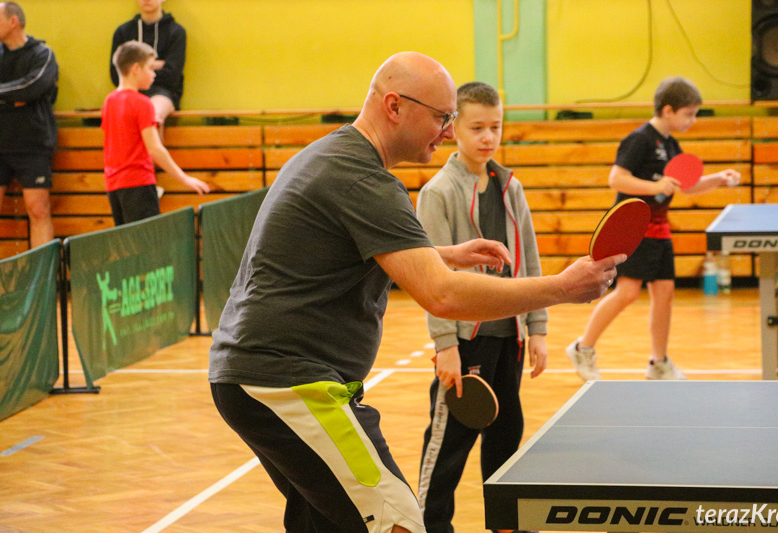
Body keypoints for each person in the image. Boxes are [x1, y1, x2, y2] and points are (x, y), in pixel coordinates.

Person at [208, 51, 625, 533]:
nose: (447, 131)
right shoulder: (362, 178)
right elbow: (443, 296)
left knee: (324, 523)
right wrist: (561, 287)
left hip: (255, 376)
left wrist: (442, 254)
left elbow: (348, 255)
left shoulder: (332, 156)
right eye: (441, 117)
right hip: (287, 382)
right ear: (394, 105)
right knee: (397, 522)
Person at [415, 82, 546, 533]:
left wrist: (537, 327)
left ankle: (506, 525)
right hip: (464, 345)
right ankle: (427, 527)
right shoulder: (438, 192)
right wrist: (444, 343)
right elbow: (430, 275)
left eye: (496, 126)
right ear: (453, 130)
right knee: (447, 446)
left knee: (507, 439)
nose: (488, 137)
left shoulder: (511, 186)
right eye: (477, 127)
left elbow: (528, 259)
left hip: (507, 337)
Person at [565, 77, 741, 382]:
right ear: (668, 110)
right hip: (633, 228)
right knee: (628, 293)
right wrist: (654, 185)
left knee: (665, 293)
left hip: (659, 229)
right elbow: (617, 179)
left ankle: (658, 362)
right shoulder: (640, 139)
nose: (693, 120)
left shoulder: (671, 144)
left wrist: (719, 178)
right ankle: (583, 348)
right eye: (689, 114)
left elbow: (686, 186)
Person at [102, 41, 208, 226]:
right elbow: (155, 149)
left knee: (128, 247)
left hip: (114, 187)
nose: (154, 74)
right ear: (136, 68)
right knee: (147, 249)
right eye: (150, 68)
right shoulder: (142, 103)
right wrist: (185, 179)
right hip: (139, 185)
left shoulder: (109, 101)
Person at [0, 1, 58, 249]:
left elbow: (33, 87)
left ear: (13, 21)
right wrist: (14, 100)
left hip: (32, 144)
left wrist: (18, 96)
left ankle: (42, 281)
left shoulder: (42, 54)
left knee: (37, 209)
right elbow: (22, 93)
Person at [110, 0, 186, 137]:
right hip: (129, 91)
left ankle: (149, 164)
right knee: (121, 117)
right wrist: (156, 64)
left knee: (152, 116)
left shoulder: (176, 32)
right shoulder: (123, 32)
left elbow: (172, 75)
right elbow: (116, 75)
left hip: (163, 92)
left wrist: (137, 68)